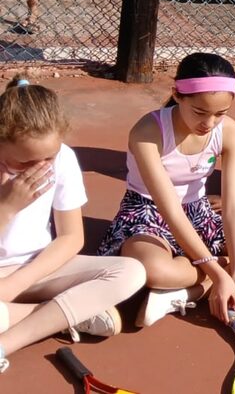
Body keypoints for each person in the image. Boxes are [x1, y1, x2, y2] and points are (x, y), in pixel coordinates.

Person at [97, 53, 235, 328]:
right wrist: (221, 274)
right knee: (152, 271)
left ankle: (191, 292)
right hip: (148, 214)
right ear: (177, 94)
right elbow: (170, 210)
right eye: (199, 112)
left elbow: (233, 206)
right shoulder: (148, 131)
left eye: (220, 114)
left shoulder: (229, 132)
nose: (208, 123)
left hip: (200, 213)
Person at [0, 78, 145, 374]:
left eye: (48, 158)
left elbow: (70, 238)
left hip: (36, 268)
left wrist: (13, 285)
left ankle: (6, 345)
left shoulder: (63, 158)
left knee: (130, 272)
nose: (39, 168)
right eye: (24, 162)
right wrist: (7, 207)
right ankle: (66, 312)